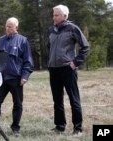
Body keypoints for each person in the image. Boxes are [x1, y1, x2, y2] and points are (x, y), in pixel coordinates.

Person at [47, 4, 90, 136]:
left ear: (65, 16)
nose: (54, 17)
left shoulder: (72, 28)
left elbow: (86, 47)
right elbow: (50, 47)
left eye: (57, 15)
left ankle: (78, 128)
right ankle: (60, 126)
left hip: (68, 69)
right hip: (54, 70)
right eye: (53, 14)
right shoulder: (51, 30)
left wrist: (75, 62)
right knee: (57, 100)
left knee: (73, 99)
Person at [0, 17, 34, 137]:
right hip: (1, 78)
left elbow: (28, 60)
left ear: (16, 27)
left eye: (10, 26)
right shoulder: (0, 40)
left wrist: (25, 76)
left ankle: (15, 128)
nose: (7, 28)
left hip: (16, 78)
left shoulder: (23, 41)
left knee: (18, 104)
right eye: (6, 26)